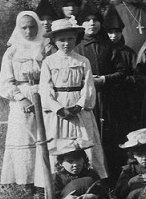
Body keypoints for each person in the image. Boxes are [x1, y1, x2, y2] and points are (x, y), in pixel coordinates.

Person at [39, 17, 108, 178]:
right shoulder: (49, 62)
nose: (66, 43)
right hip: (59, 110)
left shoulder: (82, 61)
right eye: (61, 40)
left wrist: (79, 105)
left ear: (76, 39)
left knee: (85, 141)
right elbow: (45, 89)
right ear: (54, 40)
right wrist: (59, 109)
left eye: (70, 39)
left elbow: (89, 86)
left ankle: (91, 178)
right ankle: (58, 180)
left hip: (79, 110)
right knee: (57, 142)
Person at [75, 1, 127, 177]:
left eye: (96, 20)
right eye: (87, 20)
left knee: (110, 137)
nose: (92, 23)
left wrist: (104, 79)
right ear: (81, 23)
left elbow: (122, 72)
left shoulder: (109, 46)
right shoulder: (77, 48)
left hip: (108, 99)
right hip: (85, 101)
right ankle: (93, 176)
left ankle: (114, 177)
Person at [0, 11, 49, 190]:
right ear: (18, 29)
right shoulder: (12, 52)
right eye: (24, 27)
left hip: (44, 94)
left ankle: (44, 181)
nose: (28, 31)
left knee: (44, 136)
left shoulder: (47, 47)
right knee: (24, 137)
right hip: (21, 97)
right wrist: (21, 99)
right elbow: (5, 82)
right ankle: (25, 182)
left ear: (38, 26)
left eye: (32, 26)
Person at [104, 5, 140, 162]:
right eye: (110, 32)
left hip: (126, 97)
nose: (113, 36)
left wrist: (123, 81)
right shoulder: (103, 51)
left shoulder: (128, 52)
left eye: (117, 32)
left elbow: (137, 75)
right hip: (107, 97)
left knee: (126, 129)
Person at [114, 129, 146, 199]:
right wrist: (130, 182)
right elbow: (118, 194)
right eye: (139, 155)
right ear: (133, 155)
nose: (144, 158)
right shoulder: (130, 169)